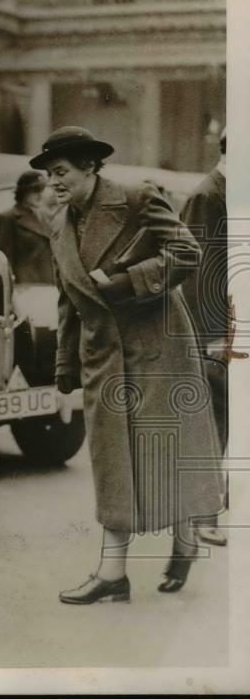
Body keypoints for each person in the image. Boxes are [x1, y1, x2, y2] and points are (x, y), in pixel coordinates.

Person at [31, 126, 224, 604]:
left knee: (167, 451)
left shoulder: (137, 198)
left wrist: (125, 281)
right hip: (102, 355)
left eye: (61, 172)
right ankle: (113, 573)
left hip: (158, 346)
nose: (53, 182)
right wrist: (64, 370)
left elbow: (187, 252)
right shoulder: (58, 224)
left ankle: (184, 539)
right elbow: (66, 299)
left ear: (90, 167)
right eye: (49, 175)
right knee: (113, 463)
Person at [180, 127, 228, 547]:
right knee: (212, 422)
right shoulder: (207, 195)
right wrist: (212, 338)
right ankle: (202, 514)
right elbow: (197, 272)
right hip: (215, 333)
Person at [0, 170, 56, 284]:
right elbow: (2, 261)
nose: (40, 194)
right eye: (35, 190)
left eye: (42, 189)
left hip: (49, 285)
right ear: (23, 192)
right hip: (24, 287)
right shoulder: (8, 218)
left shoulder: (45, 216)